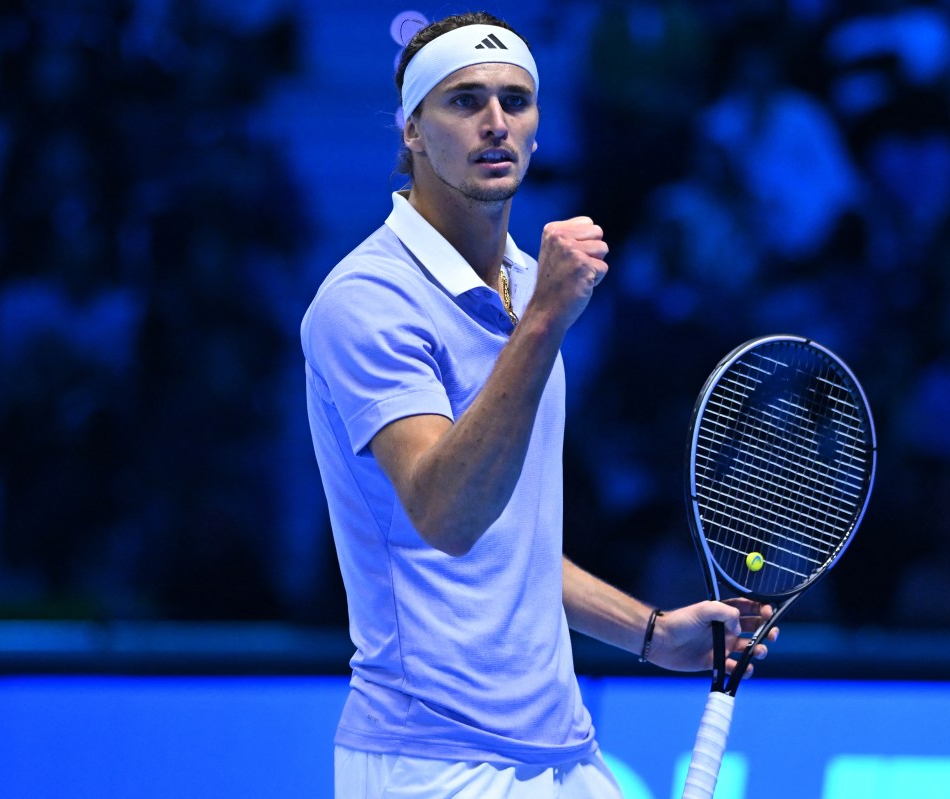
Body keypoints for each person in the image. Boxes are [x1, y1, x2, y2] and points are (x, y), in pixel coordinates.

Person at [301, 12, 777, 798]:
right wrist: (546, 321)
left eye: (514, 100)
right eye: (463, 101)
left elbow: (508, 541)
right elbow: (448, 517)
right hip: (430, 762)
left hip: (562, 750)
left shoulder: (529, 278)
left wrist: (651, 633)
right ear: (412, 130)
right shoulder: (366, 301)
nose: (494, 122)